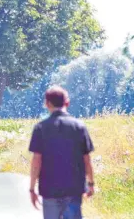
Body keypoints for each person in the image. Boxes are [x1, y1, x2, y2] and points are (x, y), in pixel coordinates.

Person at [29, 86, 95, 219]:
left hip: (49, 189)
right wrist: (91, 183)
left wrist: (32, 188)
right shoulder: (79, 127)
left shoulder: (41, 128)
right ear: (67, 103)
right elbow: (86, 159)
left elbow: (37, 161)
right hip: (73, 188)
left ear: (47, 104)